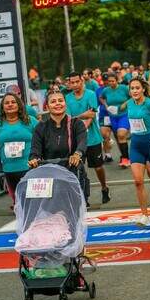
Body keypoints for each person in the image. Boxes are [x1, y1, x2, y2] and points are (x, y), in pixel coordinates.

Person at [28, 89, 89, 205]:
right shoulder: (40, 127)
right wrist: (33, 159)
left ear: (65, 104)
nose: (57, 104)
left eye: (60, 100)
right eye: (53, 101)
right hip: (49, 177)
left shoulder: (77, 123)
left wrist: (77, 154)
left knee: (74, 212)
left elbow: (82, 142)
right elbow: (35, 149)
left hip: (73, 173)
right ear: (47, 106)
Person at [0, 92, 38, 207]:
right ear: (2, 107)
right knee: (19, 204)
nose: (10, 105)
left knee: (31, 201)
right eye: (6, 103)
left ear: (19, 105)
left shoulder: (30, 121)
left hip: (30, 168)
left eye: (13, 102)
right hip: (10, 170)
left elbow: (42, 140)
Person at [65, 72, 110, 205]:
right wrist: (80, 117)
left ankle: (104, 187)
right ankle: (84, 196)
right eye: (72, 82)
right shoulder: (67, 98)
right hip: (75, 140)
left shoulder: (90, 94)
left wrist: (81, 122)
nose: (74, 85)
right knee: (78, 168)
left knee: (98, 167)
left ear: (81, 81)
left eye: (77, 82)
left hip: (92, 138)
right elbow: (68, 118)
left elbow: (91, 114)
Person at [123, 78, 150, 226]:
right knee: (138, 181)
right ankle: (144, 216)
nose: (134, 91)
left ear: (143, 89)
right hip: (136, 145)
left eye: (137, 88)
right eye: (132, 88)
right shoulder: (130, 103)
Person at [100, 72, 130, 167]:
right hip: (113, 116)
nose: (111, 83)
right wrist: (106, 106)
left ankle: (126, 159)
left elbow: (132, 96)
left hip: (124, 115)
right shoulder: (106, 90)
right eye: (109, 81)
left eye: (113, 81)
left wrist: (125, 104)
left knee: (121, 135)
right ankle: (125, 157)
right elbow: (101, 98)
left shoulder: (124, 88)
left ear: (117, 81)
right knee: (118, 137)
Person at [97, 72, 113, 162]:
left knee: (118, 136)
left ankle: (124, 155)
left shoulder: (115, 89)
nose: (106, 82)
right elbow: (96, 103)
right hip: (104, 115)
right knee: (104, 135)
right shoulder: (99, 90)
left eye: (108, 80)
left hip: (116, 115)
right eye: (104, 80)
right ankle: (108, 154)